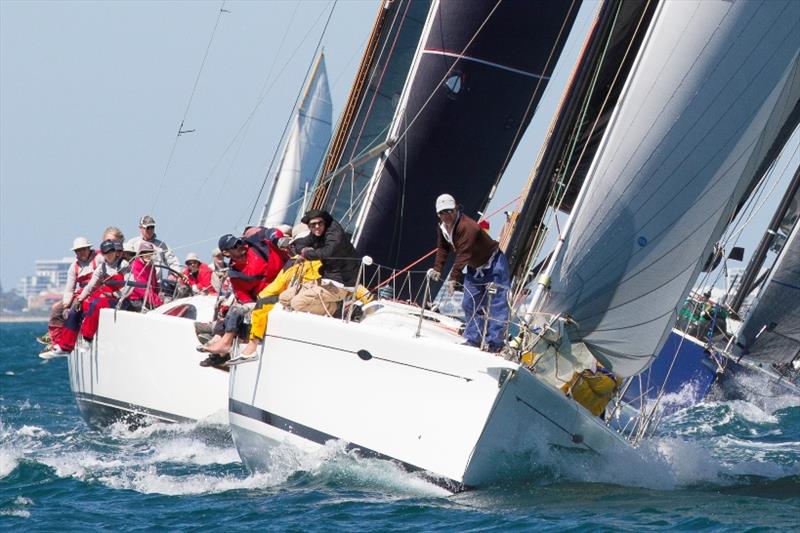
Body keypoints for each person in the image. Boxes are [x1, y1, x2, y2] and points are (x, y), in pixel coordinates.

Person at [427, 194, 510, 352]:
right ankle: (474, 339)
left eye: (449, 211)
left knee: (497, 305)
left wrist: (453, 278)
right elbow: (443, 248)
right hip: (475, 268)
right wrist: (438, 268)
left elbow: (464, 253)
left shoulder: (468, 226)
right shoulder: (443, 227)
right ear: (438, 214)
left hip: (494, 264)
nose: (446, 215)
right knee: (469, 303)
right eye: (442, 213)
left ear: (456, 208)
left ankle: (495, 344)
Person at [233, 224, 322, 360]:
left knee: (262, 305)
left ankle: (252, 346)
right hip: (324, 300)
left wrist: (260, 298)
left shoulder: (294, 261)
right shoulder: (326, 257)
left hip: (300, 300)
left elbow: (276, 286)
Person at [198, 233, 284, 364]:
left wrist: (279, 239)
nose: (240, 246)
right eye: (235, 246)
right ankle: (222, 344)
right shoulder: (236, 274)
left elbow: (272, 233)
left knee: (234, 308)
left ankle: (222, 344)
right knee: (234, 309)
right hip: (266, 297)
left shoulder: (257, 246)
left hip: (285, 283)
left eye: (239, 242)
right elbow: (244, 296)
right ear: (227, 253)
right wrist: (249, 306)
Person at [283, 209, 359, 315]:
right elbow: (302, 242)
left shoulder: (334, 232)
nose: (317, 227)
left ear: (325, 222)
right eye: (313, 225)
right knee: (284, 298)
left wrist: (305, 255)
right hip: (325, 279)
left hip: (340, 283)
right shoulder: (317, 233)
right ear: (309, 226)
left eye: (320, 223)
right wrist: (301, 250)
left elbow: (329, 251)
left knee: (297, 303)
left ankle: (337, 309)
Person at [44, 237, 98, 354]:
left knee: (75, 309)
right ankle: (56, 342)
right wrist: (65, 304)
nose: (81, 252)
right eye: (78, 250)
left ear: (89, 249)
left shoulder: (98, 260)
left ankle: (67, 343)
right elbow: (69, 289)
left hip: (95, 293)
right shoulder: (73, 267)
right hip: (79, 294)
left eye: (83, 249)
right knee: (56, 309)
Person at [75, 239, 130, 342]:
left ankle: (87, 337)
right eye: (106, 252)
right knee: (86, 304)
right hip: (107, 297)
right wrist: (80, 299)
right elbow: (90, 285)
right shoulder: (101, 268)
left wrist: (115, 294)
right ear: (103, 254)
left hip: (121, 299)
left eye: (111, 251)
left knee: (96, 303)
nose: (109, 254)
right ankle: (80, 333)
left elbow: (130, 285)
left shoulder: (124, 265)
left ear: (115, 252)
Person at [128, 214, 180, 284]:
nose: (150, 230)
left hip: (157, 284)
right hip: (137, 284)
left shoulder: (161, 245)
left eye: (152, 227)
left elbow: (173, 262)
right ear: (140, 228)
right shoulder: (132, 243)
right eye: (147, 228)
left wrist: (173, 274)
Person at [119, 241, 162, 311]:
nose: (148, 255)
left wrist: (159, 299)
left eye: (150, 253)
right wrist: (158, 303)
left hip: (148, 299)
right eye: (145, 253)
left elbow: (154, 285)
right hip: (135, 300)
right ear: (141, 254)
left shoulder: (151, 266)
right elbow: (141, 288)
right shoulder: (135, 265)